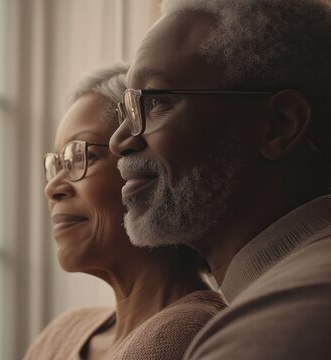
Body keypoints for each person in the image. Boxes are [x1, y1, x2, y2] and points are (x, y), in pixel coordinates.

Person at [109, 0, 331, 359]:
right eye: (127, 108)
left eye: (156, 102)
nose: (119, 140)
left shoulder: (290, 323)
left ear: (279, 126)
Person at [24, 64, 226, 360]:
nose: (52, 188)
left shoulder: (187, 336)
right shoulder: (64, 331)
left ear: (153, 169)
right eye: (57, 163)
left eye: (82, 156)